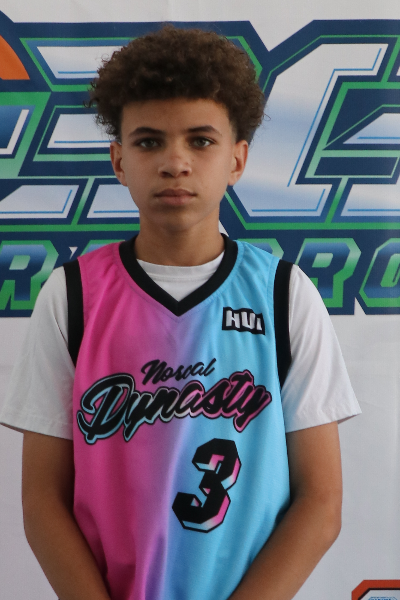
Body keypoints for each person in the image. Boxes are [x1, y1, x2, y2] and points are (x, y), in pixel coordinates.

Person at [0, 25, 360, 600]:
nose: (175, 162)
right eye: (148, 142)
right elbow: (42, 500)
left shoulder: (284, 294)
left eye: (200, 140)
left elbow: (321, 502)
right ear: (118, 160)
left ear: (237, 159)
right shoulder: (71, 295)